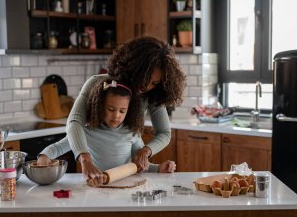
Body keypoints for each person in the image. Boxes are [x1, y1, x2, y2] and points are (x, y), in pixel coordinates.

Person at [66, 36, 186, 182]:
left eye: (154, 83)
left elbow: (164, 133)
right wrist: (85, 159)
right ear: (134, 69)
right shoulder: (98, 84)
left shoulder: (151, 95)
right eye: (145, 78)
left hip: (129, 175)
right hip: (96, 171)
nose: (146, 87)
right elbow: (74, 122)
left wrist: (146, 151)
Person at [38, 77, 176, 186]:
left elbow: (139, 165)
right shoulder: (86, 133)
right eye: (110, 109)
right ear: (99, 106)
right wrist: (44, 156)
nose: (116, 115)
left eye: (122, 111)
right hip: (97, 189)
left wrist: (158, 168)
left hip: (128, 188)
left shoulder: (132, 133)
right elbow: (57, 148)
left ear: (130, 111)